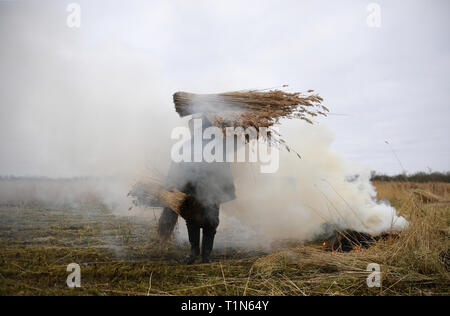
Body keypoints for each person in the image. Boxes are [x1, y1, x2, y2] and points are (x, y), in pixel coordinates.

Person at [159, 115, 236, 264]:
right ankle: (194, 252)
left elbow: (224, 168)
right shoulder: (187, 146)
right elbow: (176, 164)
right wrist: (171, 182)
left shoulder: (218, 147)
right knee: (192, 220)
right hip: (191, 188)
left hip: (212, 189)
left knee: (211, 221)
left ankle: (205, 256)